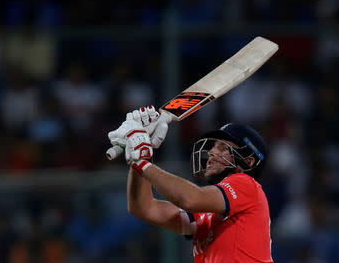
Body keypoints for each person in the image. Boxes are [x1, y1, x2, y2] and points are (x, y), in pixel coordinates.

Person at [108, 105, 274, 263]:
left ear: (248, 161)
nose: (211, 152)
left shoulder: (246, 183)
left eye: (223, 148)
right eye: (214, 147)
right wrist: (141, 158)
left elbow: (190, 199)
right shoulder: (207, 213)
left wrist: (144, 164)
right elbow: (143, 207)